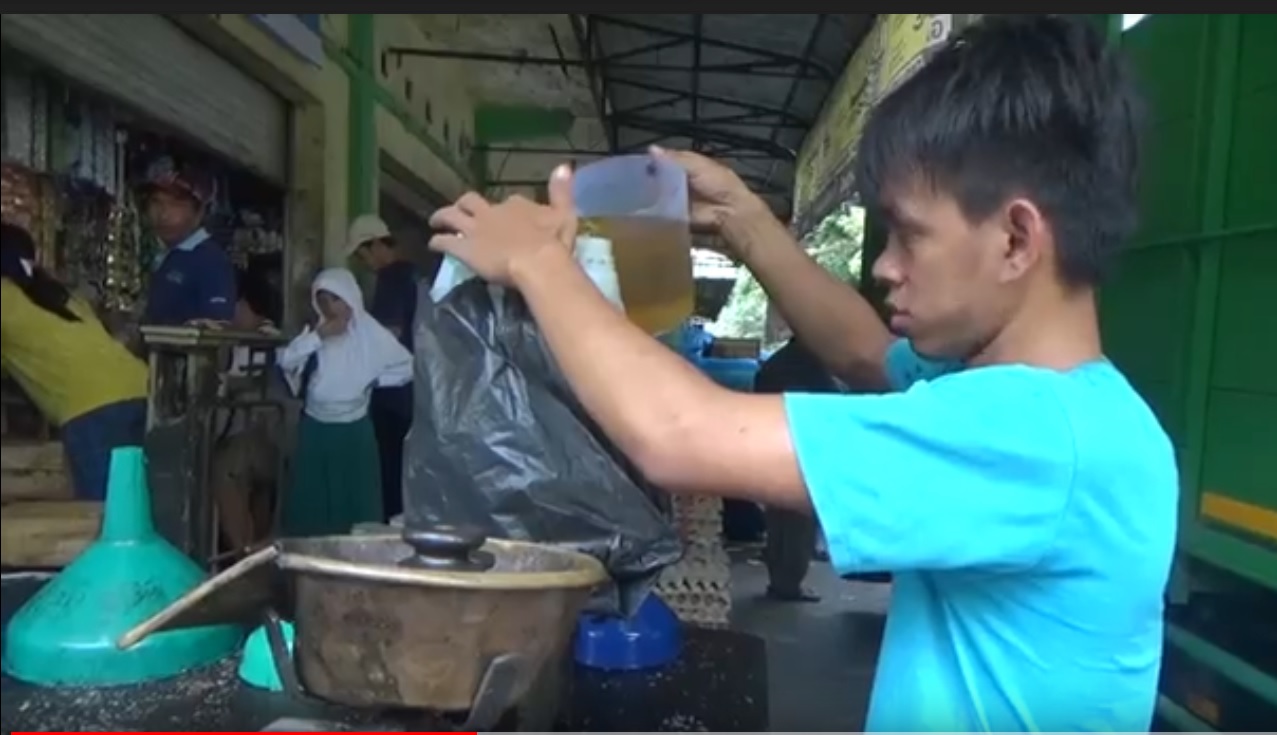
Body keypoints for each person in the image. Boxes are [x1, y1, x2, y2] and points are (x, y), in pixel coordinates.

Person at [427, 15, 1176, 732]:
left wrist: (538, 263)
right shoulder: (1068, 407)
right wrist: (744, 219)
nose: (884, 267)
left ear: (1015, 238)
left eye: (910, 236)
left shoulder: (1032, 435)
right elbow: (863, 352)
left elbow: (679, 434)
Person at [0, 222, 149, 501]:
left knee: (103, 516)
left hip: (93, 409)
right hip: (141, 389)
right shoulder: (57, 294)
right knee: (137, 504)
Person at [277, 267, 413, 537]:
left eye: (336, 299)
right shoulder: (314, 334)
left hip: (354, 429)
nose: (330, 308)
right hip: (317, 427)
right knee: (313, 504)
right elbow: (287, 361)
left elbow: (407, 365)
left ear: (351, 298)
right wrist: (319, 337)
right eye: (324, 300)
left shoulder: (371, 335)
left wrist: (373, 381)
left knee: (355, 501)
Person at [753, 337, 838, 603]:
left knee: (778, 523)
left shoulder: (775, 364)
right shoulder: (810, 366)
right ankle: (789, 584)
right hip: (801, 454)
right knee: (797, 527)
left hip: (771, 450)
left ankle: (779, 580)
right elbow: (830, 402)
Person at [346, 214, 420, 520]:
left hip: (392, 395)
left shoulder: (392, 277)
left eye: (362, 254)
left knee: (389, 474)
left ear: (376, 245)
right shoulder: (415, 275)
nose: (364, 262)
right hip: (415, 393)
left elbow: (390, 334)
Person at [209, 267, 285, 551]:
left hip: (269, 439)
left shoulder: (265, 340)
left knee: (225, 470)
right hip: (261, 439)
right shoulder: (245, 339)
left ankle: (244, 554)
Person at [139, 156, 237, 326]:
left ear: (199, 214)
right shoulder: (165, 254)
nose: (163, 215)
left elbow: (216, 326)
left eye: (176, 205)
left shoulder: (210, 260)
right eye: (156, 202)